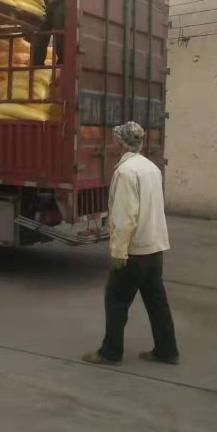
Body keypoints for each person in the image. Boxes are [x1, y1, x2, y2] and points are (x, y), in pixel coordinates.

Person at [82, 122, 179, 366]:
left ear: (120, 143)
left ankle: (110, 353)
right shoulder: (151, 168)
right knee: (157, 302)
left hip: (134, 251)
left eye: (115, 140)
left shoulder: (125, 172)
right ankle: (167, 351)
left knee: (116, 300)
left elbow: (125, 216)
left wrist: (118, 251)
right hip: (154, 247)